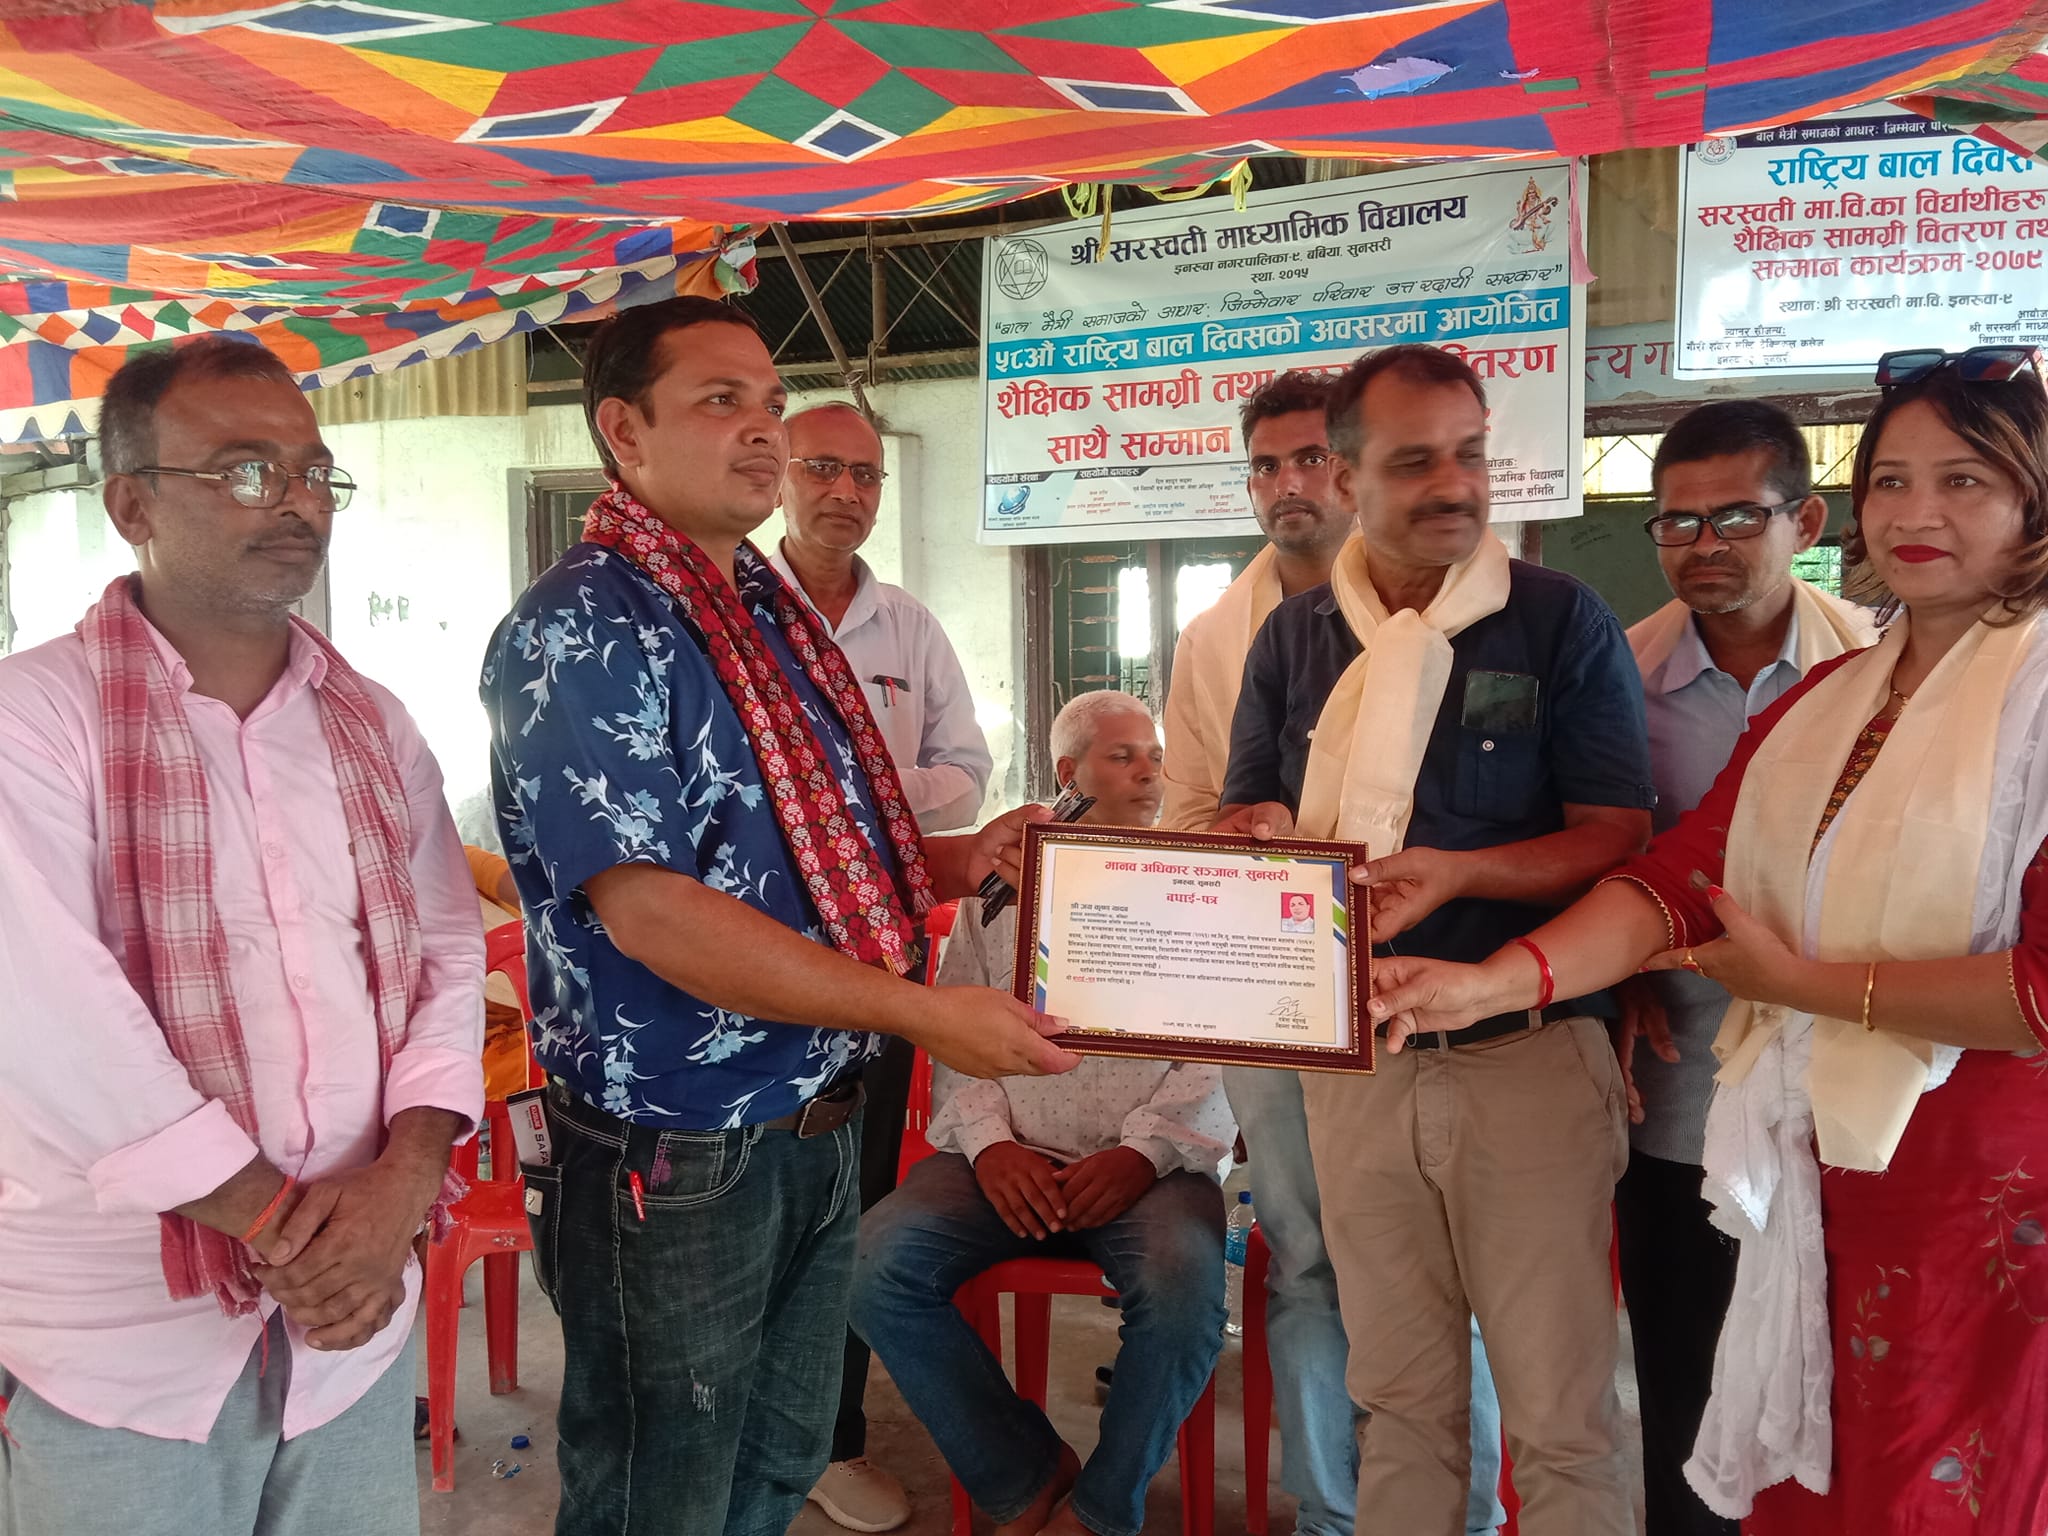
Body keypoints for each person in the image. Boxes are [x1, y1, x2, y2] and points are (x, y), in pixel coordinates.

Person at [1366, 346, 2048, 1533]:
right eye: (1890, 481)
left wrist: (1807, 987)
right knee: (1808, 1474)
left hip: (1991, 1202)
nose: (1914, 514)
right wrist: (1486, 985)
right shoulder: (1824, 707)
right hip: (1819, 1180)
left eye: (1962, 481)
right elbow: (1677, 883)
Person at [479, 295, 1077, 1536]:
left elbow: (801, 850)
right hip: (679, 1146)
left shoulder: (757, 609)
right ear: (622, 432)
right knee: (663, 1485)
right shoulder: (585, 624)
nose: (762, 430)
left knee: (780, 1455)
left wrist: (959, 860)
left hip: (813, 1117)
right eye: (720, 402)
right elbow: (654, 912)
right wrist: (921, 1012)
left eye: (768, 402)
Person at [0, 336, 485, 1536]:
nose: (297, 504)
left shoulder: (372, 723)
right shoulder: (34, 720)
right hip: (128, 1339)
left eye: (314, 473)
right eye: (246, 471)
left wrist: (401, 1186)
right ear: (131, 506)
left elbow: (444, 954)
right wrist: (288, 1231)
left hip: (351, 1325)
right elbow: (49, 1018)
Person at [1218, 344, 1654, 1536]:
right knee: (1397, 1405)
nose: (1454, 484)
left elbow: (1615, 833)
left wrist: (1459, 871)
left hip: (1526, 1058)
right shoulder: (1294, 639)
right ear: (1345, 476)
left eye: (1469, 454)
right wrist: (1256, 834)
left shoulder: (1557, 623)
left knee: (1560, 1424)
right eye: (1414, 462)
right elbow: (1240, 809)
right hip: (1357, 1067)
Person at [1162, 369, 1505, 1536]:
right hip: (1274, 995)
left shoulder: (1483, 609)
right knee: (1305, 1263)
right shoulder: (1221, 636)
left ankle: (1458, 1519)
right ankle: (1329, 1515)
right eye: (1264, 465)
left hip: (1430, 994)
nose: (1287, 484)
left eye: (1309, 457)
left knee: (1437, 1274)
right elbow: (1193, 811)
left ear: (1354, 469)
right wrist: (1244, 832)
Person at [851, 690, 1236, 1536]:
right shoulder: (1002, 886)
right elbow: (954, 1023)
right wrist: (991, 1147)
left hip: (1151, 1168)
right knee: (870, 1266)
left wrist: (1142, 1154)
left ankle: (1099, 1512)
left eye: (1155, 756)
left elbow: (1221, 1050)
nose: (1148, 773)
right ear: (1068, 772)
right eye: (1122, 756)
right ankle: (1023, 1476)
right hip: (1008, 1158)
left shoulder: (1198, 883)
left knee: (1184, 1294)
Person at [1616, 400, 1876, 1536]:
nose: (1702, 545)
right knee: (1684, 1374)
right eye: (1676, 522)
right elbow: (1606, 855)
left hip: (1844, 1077)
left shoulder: (1876, 671)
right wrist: (1621, 973)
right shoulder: (1617, 680)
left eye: (1735, 516)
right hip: (1677, 1081)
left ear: (1802, 521)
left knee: (1835, 1376)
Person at [769, 402, 996, 1533]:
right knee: (751, 1202)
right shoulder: (733, 615)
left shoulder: (906, 626)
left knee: (852, 1203)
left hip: (882, 957)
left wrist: (842, 793)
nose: (845, 492)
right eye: (822, 468)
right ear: (778, 475)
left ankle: (832, 1437)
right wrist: (852, 798)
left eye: (865, 475)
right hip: (756, 962)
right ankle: (753, 1436)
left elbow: (968, 769)